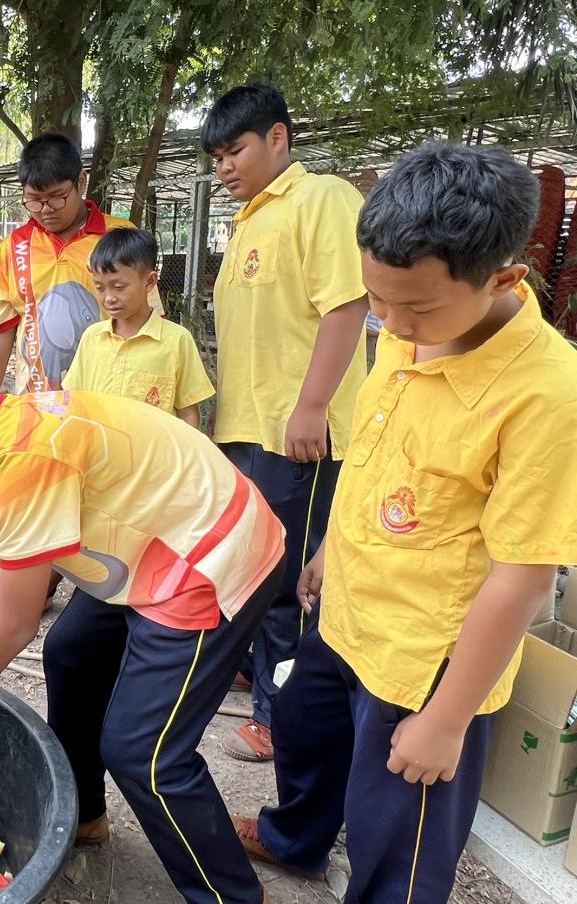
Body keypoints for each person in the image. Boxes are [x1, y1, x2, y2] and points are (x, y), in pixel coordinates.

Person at [231, 142, 577, 901]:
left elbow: (524, 579)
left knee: (398, 837)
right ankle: (296, 842)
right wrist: (327, 547)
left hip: (428, 662)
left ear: (503, 279)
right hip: (349, 613)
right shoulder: (408, 330)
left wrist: (447, 720)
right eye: (376, 302)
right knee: (303, 734)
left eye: (413, 307)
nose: (387, 324)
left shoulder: (545, 395)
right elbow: (382, 449)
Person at [0, 332, 286, 904]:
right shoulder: (19, 414)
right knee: (71, 651)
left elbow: (14, 626)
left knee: (144, 754)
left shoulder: (24, 454)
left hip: (210, 558)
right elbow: (40, 566)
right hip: (158, 538)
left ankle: (234, 896)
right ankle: (83, 814)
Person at [202, 84, 370, 762]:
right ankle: (259, 671)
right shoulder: (248, 220)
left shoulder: (320, 199)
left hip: (296, 432)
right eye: (215, 156)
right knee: (256, 563)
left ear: (278, 138)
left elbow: (347, 305)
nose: (223, 168)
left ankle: (279, 716)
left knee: (288, 576)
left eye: (234, 150)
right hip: (248, 428)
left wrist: (311, 406)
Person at [0, 132, 164, 395]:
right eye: (34, 200)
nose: (45, 209)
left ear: (81, 181)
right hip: (38, 404)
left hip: (109, 402)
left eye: (57, 197)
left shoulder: (119, 237)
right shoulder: (13, 247)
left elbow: (151, 322)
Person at [63, 228, 214, 428]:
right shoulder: (92, 338)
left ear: (150, 281)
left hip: (154, 457)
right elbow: (74, 399)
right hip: (100, 454)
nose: (109, 298)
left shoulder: (177, 340)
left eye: (119, 287)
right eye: (100, 287)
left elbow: (188, 413)